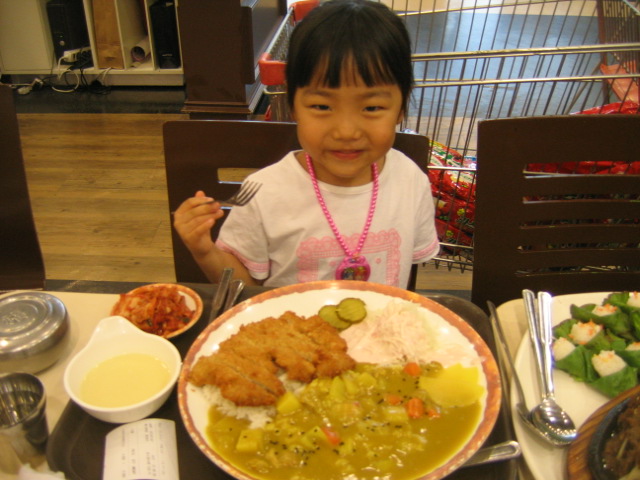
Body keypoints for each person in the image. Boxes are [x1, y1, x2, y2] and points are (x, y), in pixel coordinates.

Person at [172, 0, 439, 288]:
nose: (346, 131)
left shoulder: (410, 181)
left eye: (371, 108)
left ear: (400, 109)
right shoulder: (265, 193)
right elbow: (244, 290)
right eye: (322, 107)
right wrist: (205, 251)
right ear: (293, 106)